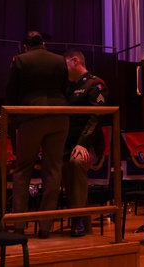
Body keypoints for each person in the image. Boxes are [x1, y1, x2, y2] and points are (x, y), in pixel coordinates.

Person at [4, 31, 69, 238]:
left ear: (25, 46)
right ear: (43, 43)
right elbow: (64, 88)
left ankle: (19, 224)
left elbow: (11, 92)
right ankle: (45, 226)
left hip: (30, 115)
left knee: (23, 169)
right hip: (59, 115)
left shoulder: (21, 60)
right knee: (53, 169)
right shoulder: (60, 60)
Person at [61, 48, 108, 237]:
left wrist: (82, 143)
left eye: (65, 64)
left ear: (75, 61)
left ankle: (78, 218)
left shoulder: (95, 84)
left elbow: (98, 116)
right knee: (66, 172)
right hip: (68, 145)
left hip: (89, 144)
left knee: (76, 162)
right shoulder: (68, 88)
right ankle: (83, 225)